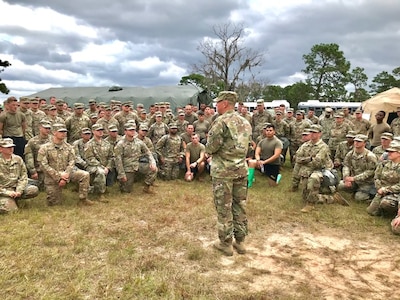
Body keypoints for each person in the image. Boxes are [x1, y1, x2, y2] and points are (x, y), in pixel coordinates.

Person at [205, 91, 252, 256]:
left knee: (224, 208)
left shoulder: (221, 122)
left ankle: (225, 244)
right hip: (241, 170)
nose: (216, 105)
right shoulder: (245, 122)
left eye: (218, 102)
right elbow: (248, 147)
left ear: (225, 103)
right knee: (240, 206)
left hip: (223, 172)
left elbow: (211, 147)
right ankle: (240, 242)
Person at [295, 124, 349, 213]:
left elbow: (317, 162)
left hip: (321, 170)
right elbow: (297, 159)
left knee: (313, 178)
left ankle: (310, 205)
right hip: (308, 169)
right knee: (305, 196)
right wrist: (309, 158)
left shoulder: (323, 147)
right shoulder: (305, 145)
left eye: (315, 132)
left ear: (320, 134)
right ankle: (333, 198)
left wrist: (305, 161)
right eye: (311, 132)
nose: (312, 134)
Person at [37, 123, 93, 206]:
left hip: (67, 173)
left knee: (85, 175)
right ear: (54, 132)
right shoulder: (44, 148)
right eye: (61, 132)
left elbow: (72, 162)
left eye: (65, 132)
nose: (64, 134)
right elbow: (43, 165)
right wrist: (59, 176)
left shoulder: (69, 147)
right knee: (55, 204)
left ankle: (83, 199)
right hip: (52, 176)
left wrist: (66, 175)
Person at [114, 123, 157, 194]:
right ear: (125, 131)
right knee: (126, 191)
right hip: (127, 168)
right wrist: (121, 174)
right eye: (130, 130)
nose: (132, 132)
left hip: (138, 165)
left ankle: (146, 187)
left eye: (133, 130)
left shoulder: (139, 142)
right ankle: (124, 183)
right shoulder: (120, 144)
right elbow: (118, 160)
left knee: (153, 169)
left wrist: (153, 162)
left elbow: (148, 152)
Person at [0, 138, 39, 213]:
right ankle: (7, 201)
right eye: (8, 147)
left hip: (16, 187)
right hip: (4, 190)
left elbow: (23, 177)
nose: (11, 149)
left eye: (12, 147)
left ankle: (15, 199)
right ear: (1, 149)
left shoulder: (18, 159)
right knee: (11, 211)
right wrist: (7, 193)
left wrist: (19, 190)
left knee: (33, 190)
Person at [337, 134, 377, 202]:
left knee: (359, 198)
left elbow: (371, 171)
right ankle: (356, 190)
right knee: (340, 185)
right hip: (354, 180)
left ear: (364, 143)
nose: (356, 143)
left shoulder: (370, 156)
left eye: (359, 141)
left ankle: (371, 196)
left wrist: (354, 178)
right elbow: (346, 166)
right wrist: (346, 178)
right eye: (355, 141)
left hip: (366, 182)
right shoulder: (350, 154)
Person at [84, 123, 114, 199]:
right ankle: (101, 194)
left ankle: (99, 188)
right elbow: (90, 158)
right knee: (100, 172)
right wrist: (102, 167)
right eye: (98, 130)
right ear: (93, 132)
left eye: (101, 130)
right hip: (92, 166)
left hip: (105, 166)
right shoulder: (89, 144)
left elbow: (111, 157)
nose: (100, 132)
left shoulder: (107, 143)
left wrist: (108, 167)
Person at [24, 120, 52, 190]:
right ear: (40, 128)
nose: (47, 130)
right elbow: (29, 157)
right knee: (42, 186)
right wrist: (33, 172)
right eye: (45, 128)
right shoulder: (32, 141)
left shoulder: (53, 139)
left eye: (49, 128)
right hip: (40, 170)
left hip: (52, 169)